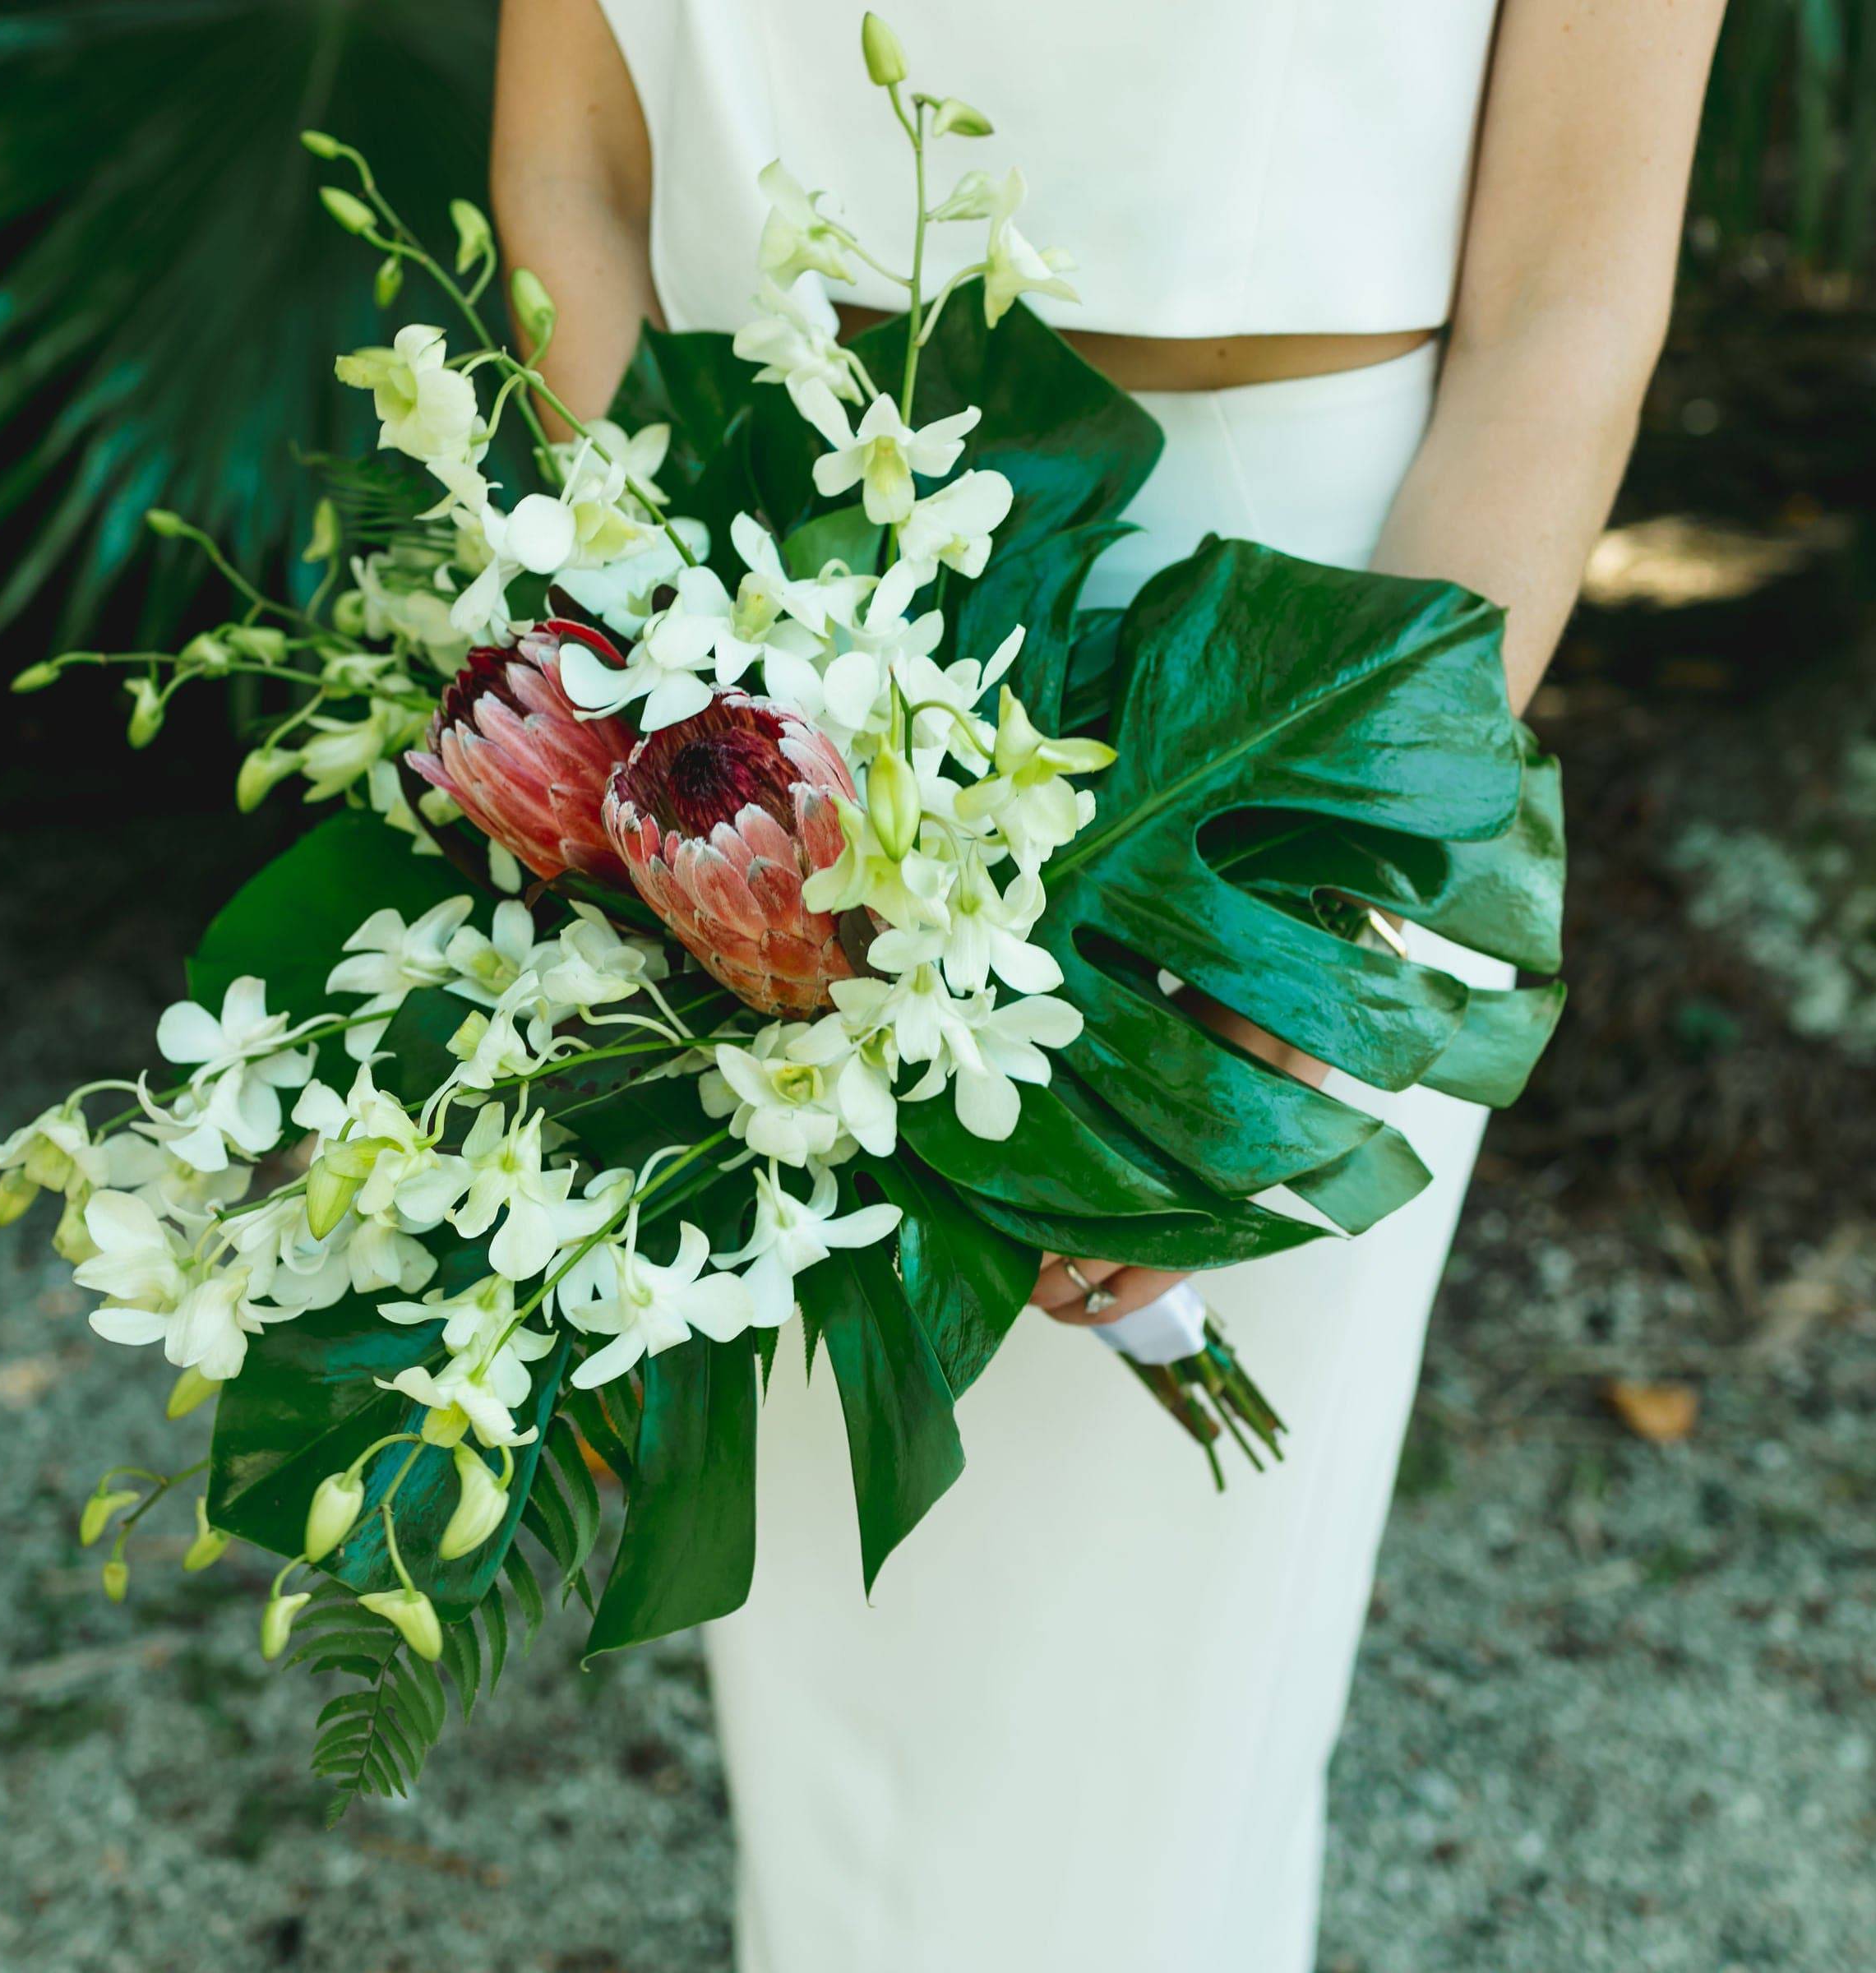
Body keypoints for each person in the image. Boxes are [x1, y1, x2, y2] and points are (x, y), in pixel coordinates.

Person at [494, 2, 1725, 1965]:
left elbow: (1568, 307)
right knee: (838, 1645)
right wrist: (672, 704)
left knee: (1164, 1683)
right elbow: (570, 176)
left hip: (1293, 662)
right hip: (744, 598)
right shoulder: (704, 683)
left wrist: (1297, 921)